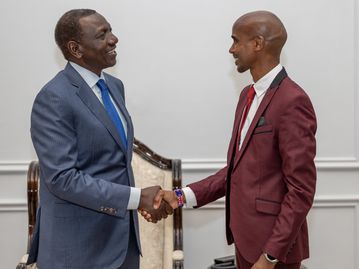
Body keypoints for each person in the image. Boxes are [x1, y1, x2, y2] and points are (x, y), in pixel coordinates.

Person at [151, 10, 317, 269]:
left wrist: (270, 256)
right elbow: (237, 171)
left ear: (258, 44)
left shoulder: (293, 100)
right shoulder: (246, 96)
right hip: (245, 241)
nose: (231, 49)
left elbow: (301, 190)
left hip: (273, 253)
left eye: (236, 40)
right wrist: (179, 197)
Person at [28, 9, 172, 269]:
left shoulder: (115, 86)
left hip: (123, 242)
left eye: (111, 31)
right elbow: (63, 179)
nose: (114, 39)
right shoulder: (54, 98)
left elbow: (114, 161)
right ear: (76, 48)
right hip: (78, 248)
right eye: (102, 34)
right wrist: (137, 197)